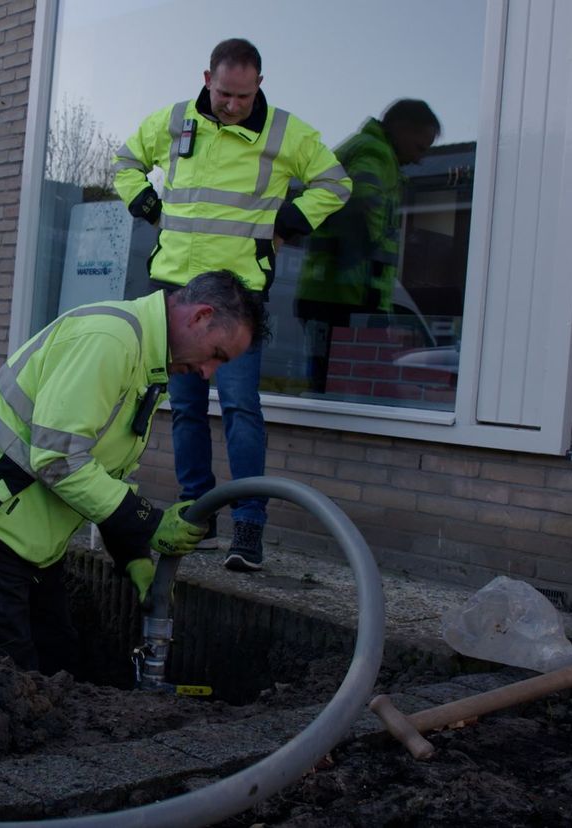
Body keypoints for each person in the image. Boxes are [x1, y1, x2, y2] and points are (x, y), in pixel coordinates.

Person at [0, 270, 267, 675]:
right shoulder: (110, 340)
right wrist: (149, 523)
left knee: (57, 659)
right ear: (201, 316)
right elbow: (59, 459)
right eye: (217, 355)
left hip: (25, 536)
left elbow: (102, 473)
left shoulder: (145, 361)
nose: (208, 373)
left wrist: (133, 554)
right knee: (0, 678)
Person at [112, 38, 351, 573]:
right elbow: (126, 161)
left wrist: (291, 220)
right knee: (187, 410)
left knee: (242, 410)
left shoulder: (286, 131)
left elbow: (335, 182)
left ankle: (249, 526)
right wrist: (142, 199)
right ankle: (198, 514)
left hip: (238, 297)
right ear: (206, 78)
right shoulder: (174, 121)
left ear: (259, 85)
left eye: (244, 96)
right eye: (224, 93)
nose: (233, 105)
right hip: (176, 294)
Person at [296, 99, 441, 393]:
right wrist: (368, 294)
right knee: (349, 389)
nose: (418, 160)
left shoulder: (365, 150)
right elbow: (357, 210)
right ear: (400, 129)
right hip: (345, 298)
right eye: (420, 147)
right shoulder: (375, 154)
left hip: (334, 294)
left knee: (331, 385)